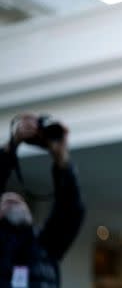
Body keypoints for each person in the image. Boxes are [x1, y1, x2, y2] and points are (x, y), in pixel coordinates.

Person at [0, 113, 85, 287]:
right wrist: (12, 145)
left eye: (19, 202)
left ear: (31, 217)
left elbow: (69, 210)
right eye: (5, 201)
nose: (13, 199)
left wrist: (61, 157)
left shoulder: (46, 245)